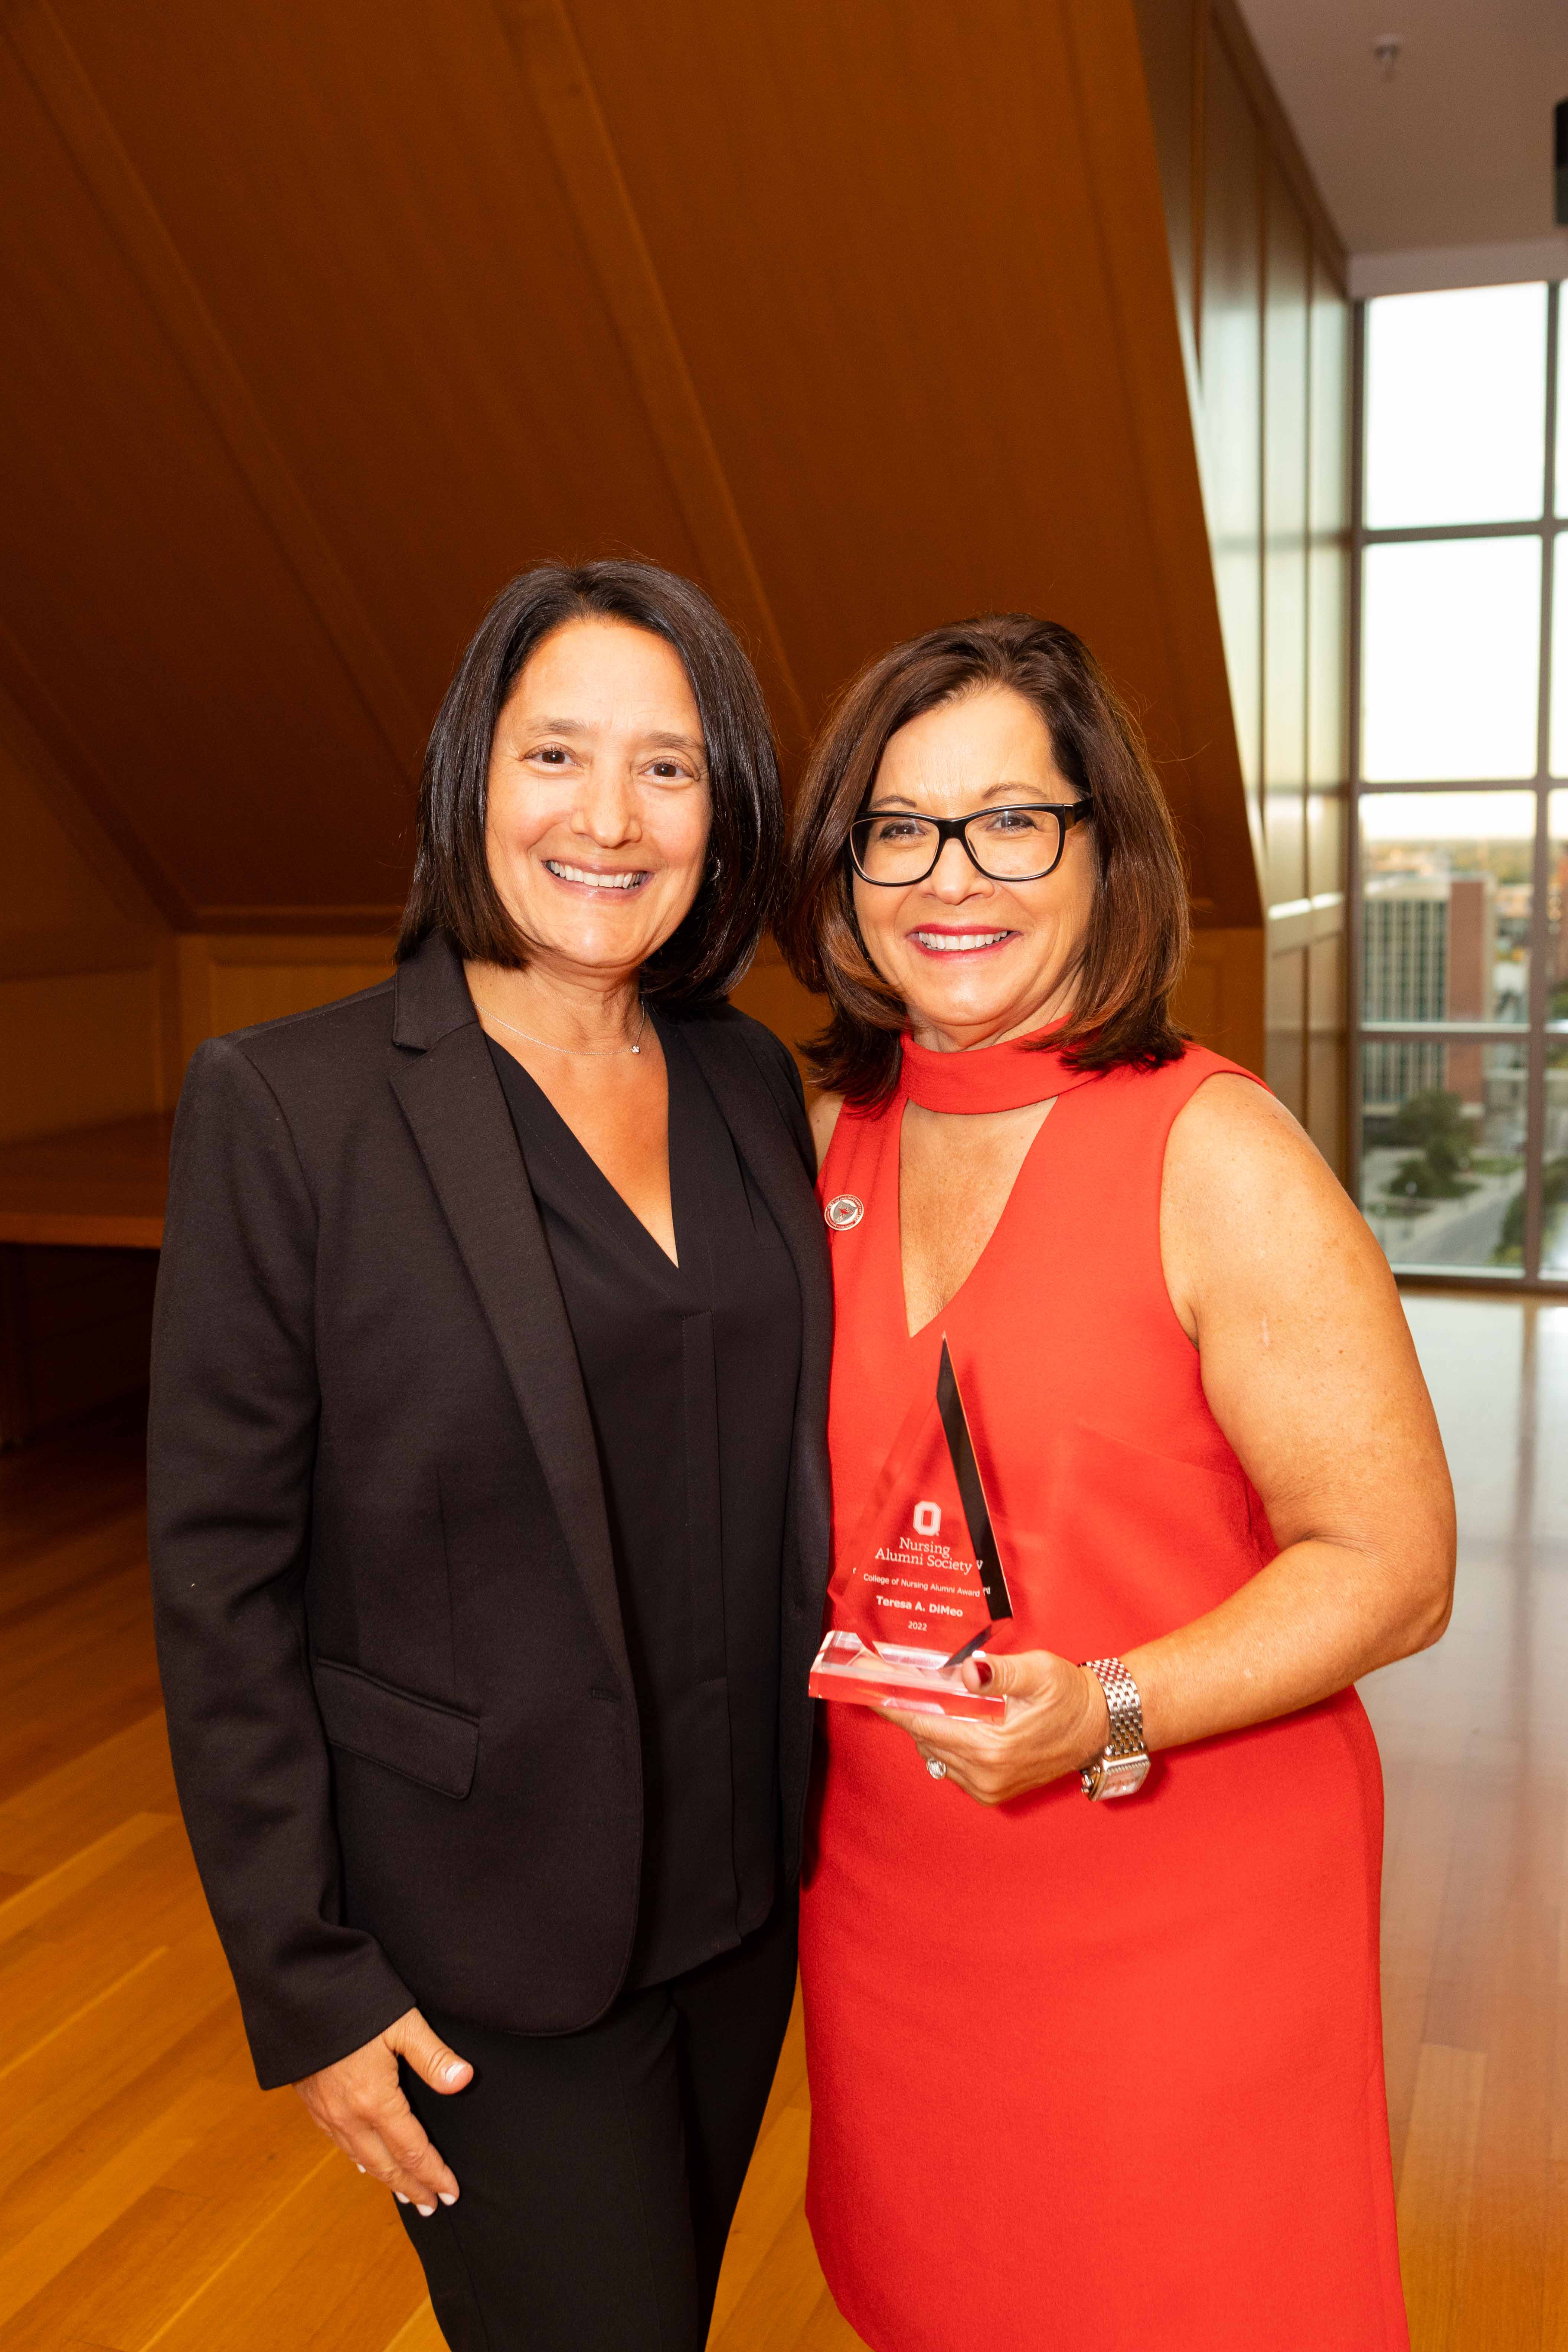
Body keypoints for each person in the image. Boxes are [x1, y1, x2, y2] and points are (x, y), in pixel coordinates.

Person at [148, 560, 831, 2352]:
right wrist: (305, 1978)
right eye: (556, 755)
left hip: (744, 1891)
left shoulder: (747, 1080)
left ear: (725, 812)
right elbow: (221, 1580)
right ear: (472, 775)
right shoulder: (291, 1107)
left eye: (669, 768)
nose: (609, 817)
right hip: (483, 1937)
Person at [779, 612, 1453, 2352]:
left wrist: (1113, 1706)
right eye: (901, 828)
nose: (953, 875)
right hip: (896, 1895)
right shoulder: (827, 1140)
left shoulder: (1215, 1152)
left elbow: (1393, 1564)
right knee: (937, 2296)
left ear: (1105, 850)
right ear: (847, 870)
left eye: (1013, 821)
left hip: (1178, 1899)